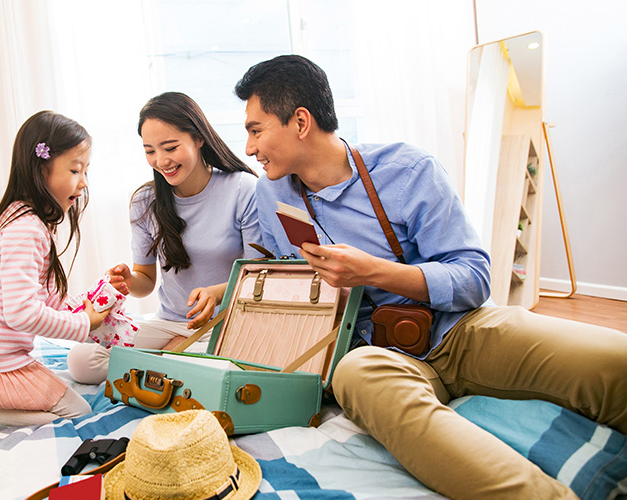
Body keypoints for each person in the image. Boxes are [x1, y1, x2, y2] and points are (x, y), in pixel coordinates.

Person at [234, 54, 627, 499]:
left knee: (613, 362)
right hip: (375, 356)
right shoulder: (269, 196)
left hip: (460, 332)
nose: (249, 148)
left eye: (255, 129)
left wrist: (374, 272)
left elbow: (475, 278)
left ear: (300, 121)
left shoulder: (407, 170)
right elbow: (279, 282)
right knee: (356, 376)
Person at [0, 110, 110, 437]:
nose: (83, 183)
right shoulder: (27, 231)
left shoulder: (19, 216)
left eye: (85, 171)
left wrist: (82, 306)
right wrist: (85, 324)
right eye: (74, 170)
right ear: (41, 169)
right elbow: (22, 313)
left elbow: (42, 296)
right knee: (77, 413)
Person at [66, 92, 263, 384]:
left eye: (170, 147)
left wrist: (216, 293)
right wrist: (129, 282)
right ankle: (172, 363)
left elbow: (258, 275)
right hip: (169, 324)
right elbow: (146, 281)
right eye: (150, 151)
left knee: (222, 368)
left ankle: (166, 364)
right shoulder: (146, 201)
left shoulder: (242, 189)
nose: (161, 160)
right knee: (81, 360)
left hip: (225, 325)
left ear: (198, 138)